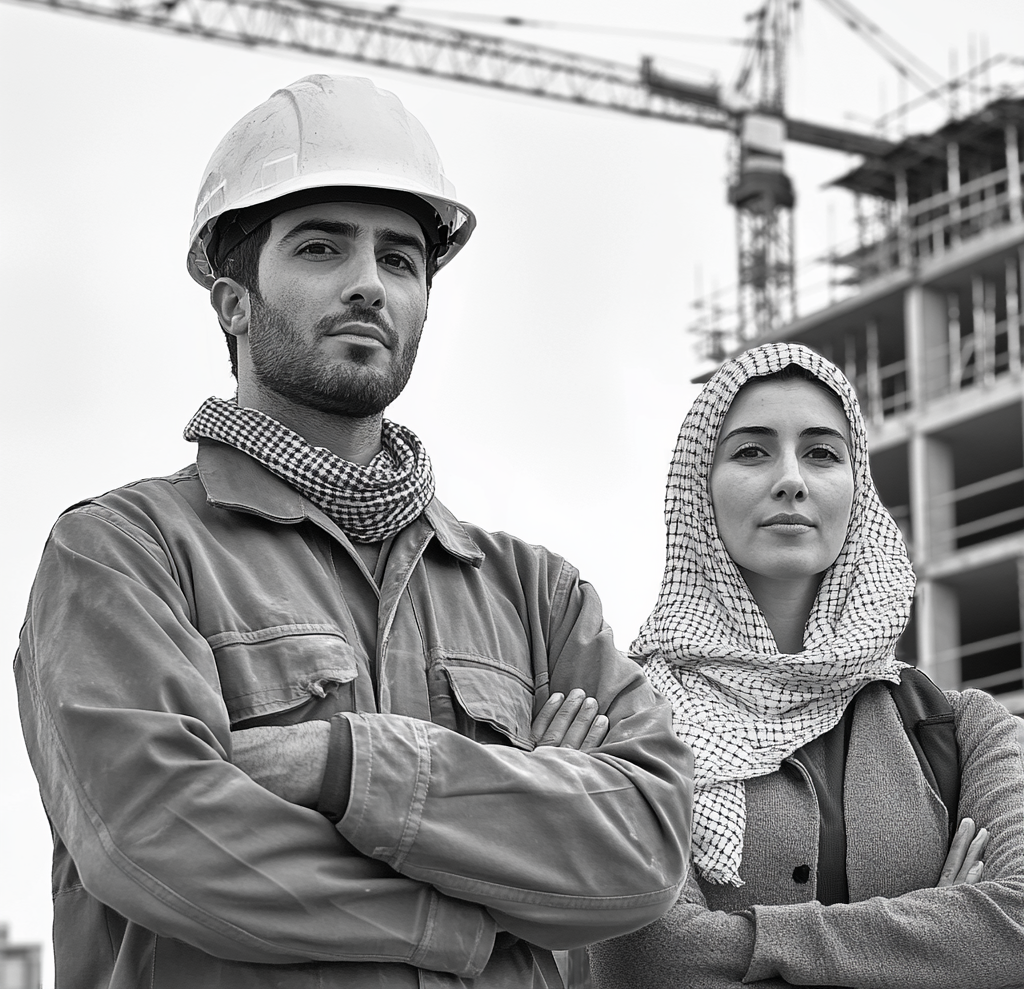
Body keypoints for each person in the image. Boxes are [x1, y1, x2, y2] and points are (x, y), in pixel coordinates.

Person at [15, 74, 692, 989]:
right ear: (233, 303)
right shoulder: (124, 553)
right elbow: (154, 837)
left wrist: (341, 763)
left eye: (401, 259)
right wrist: (478, 901)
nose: (369, 284)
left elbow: (644, 853)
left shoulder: (539, 596)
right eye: (322, 248)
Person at [589, 342, 1024, 989]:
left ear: (858, 489)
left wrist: (740, 947)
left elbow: (1014, 932)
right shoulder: (625, 716)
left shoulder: (959, 730)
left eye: (822, 452)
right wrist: (937, 941)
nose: (791, 478)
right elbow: (651, 960)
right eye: (752, 451)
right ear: (698, 492)